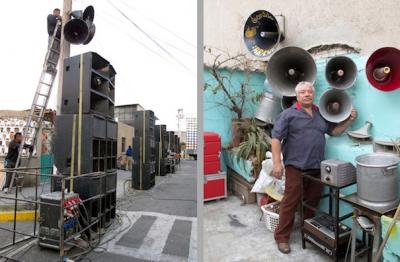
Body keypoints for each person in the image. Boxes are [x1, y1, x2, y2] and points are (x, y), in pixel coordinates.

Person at [271, 81, 357, 254]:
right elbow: (275, 139)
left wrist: (349, 120)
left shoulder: (320, 114)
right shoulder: (288, 114)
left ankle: (308, 231)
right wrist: (277, 163)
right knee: (290, 202)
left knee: (312, 202)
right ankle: (281, 237)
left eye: (309, 91)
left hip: (317, 167)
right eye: (302, 92)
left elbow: (334, 132)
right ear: (297, 96)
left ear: (313, 94)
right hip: (295, 166)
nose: (306, 94)